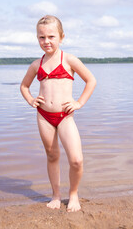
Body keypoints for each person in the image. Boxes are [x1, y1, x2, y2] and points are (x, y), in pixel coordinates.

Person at [20, 15, 96, 212]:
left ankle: (73, 194)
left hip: (64, 116)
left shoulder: (69, 60)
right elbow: (24, 86)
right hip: (44, 115)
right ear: (37, 38)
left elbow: (91, 81)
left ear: (61, 37)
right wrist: (30, 100)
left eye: (51, 37)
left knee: (76, 160)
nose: (46, 41)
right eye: (41, 37)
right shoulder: (36, 64)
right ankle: (56, 195)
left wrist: (79, 102)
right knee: (52, 155)